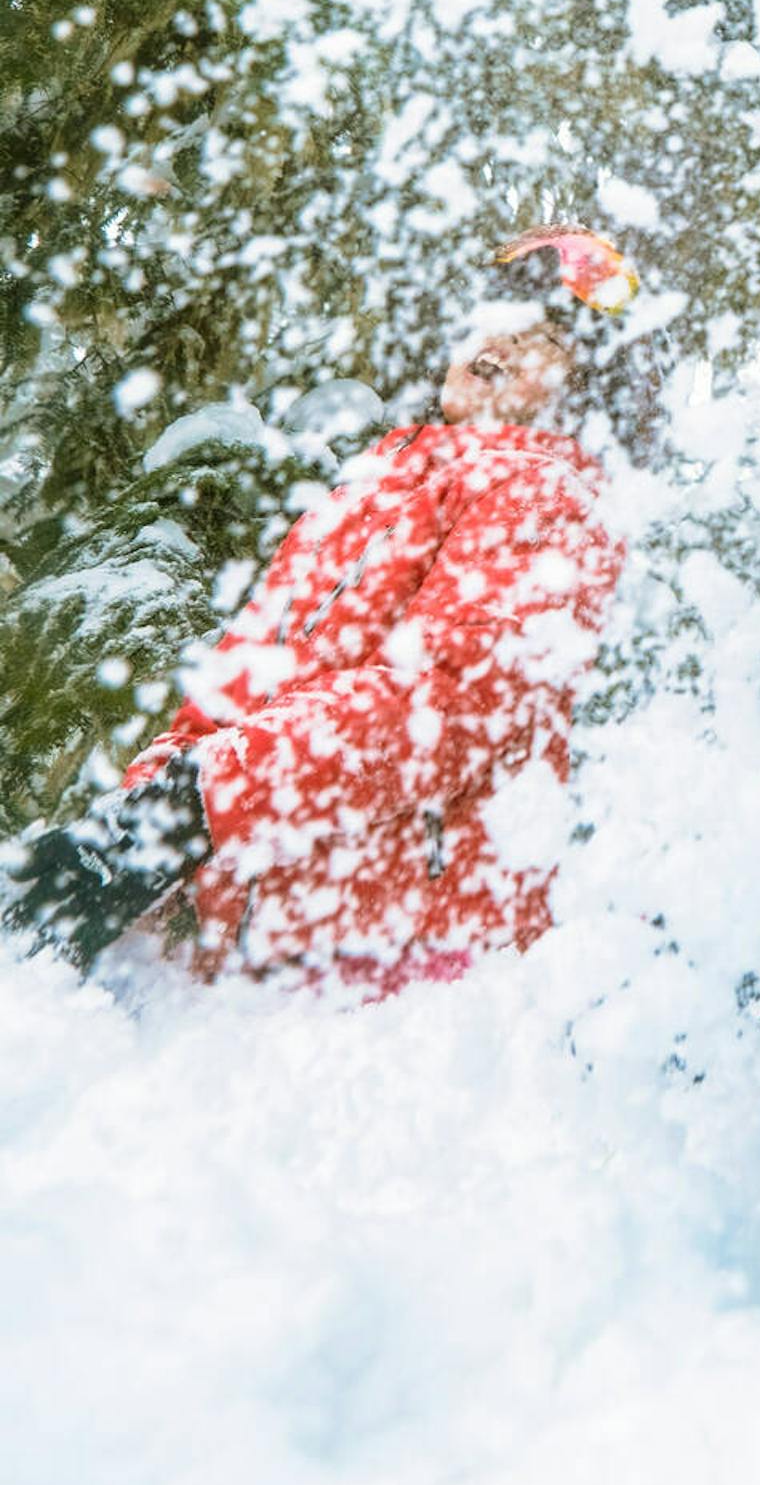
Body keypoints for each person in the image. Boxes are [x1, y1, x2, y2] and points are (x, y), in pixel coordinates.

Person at [4, 229, 634, 992]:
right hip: (253, 957)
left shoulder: (543, 490)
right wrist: (132, 838)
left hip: (404, 964)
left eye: (541, 336)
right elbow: (227, 707)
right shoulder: (375, 486)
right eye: (491, 315)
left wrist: (190, 807)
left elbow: (450, 703)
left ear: (586, 384)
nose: (496, 340)